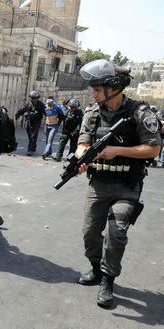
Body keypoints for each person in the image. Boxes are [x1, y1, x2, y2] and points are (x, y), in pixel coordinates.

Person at [75, 59, 161, 308]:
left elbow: (153, 149)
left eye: (98, 89)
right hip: (98, 183)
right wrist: (82, 159)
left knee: (116, 233)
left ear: (113, 88)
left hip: (127, 184)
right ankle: (96, 269)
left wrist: (118, 150)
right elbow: (82, 144)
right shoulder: (92, 113)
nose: (93, 94)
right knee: (90, 233)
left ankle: (108, 280)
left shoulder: (140, 113)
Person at [15, 90, 45, 155]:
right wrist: (17, 115)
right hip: (29, 121)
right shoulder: (28, 104)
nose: (33, 100)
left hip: (36, 122)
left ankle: (30, 150)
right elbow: (22, 109)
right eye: (32, 98)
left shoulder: (41, 105)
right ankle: (33, 147)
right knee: (29, 134)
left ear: (37, 98)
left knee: (33, 136)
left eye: (35, 98)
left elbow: (45, 112)